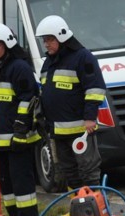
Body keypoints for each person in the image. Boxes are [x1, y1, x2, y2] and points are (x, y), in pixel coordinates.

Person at [36, 16, 105, 193]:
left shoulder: (83, 58)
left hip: (81, 130)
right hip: (58, 131)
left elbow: (95, 89)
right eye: (44, 40)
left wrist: (90, 118)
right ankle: (77, 206)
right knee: (69, 172)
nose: (46, 44)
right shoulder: (48, 62)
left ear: (62, 37)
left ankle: (93, 209)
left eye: (49, 40)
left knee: (88, 171)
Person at [0, 24, 41, 216]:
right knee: (5, 181)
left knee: (21, 178)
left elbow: (28, 100)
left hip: (19, 137)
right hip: (0, 139)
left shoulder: (19, 68)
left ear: (7, 44)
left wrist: (19, 130)